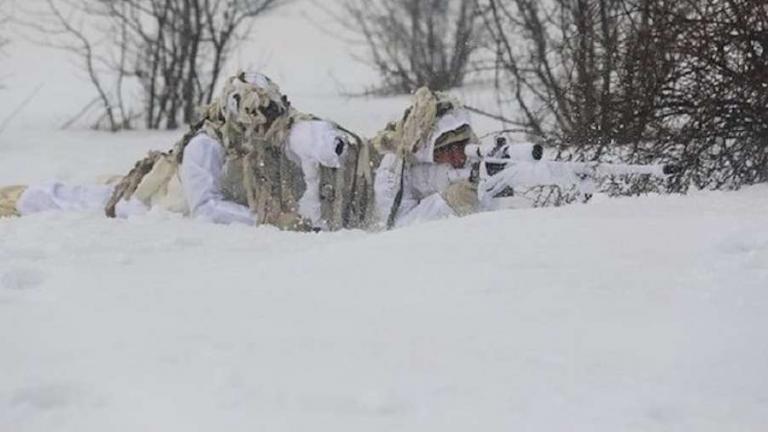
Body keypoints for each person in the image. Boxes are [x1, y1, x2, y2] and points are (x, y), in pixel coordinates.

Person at [0, 72, 373, 231]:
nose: (266, 123)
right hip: (167, 202)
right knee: (80, 200)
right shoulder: (206, 147)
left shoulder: (258, 138)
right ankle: (18, 199)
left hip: (180, 189)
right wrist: (263, 220)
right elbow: (206, 208)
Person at [372, 87, 481, 229]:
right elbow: (398, 227)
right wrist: (449, 202)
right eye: (446, 149)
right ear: (425, 149)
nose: (458, 157)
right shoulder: (393, 168)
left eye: (461, 144)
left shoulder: (473, 152)